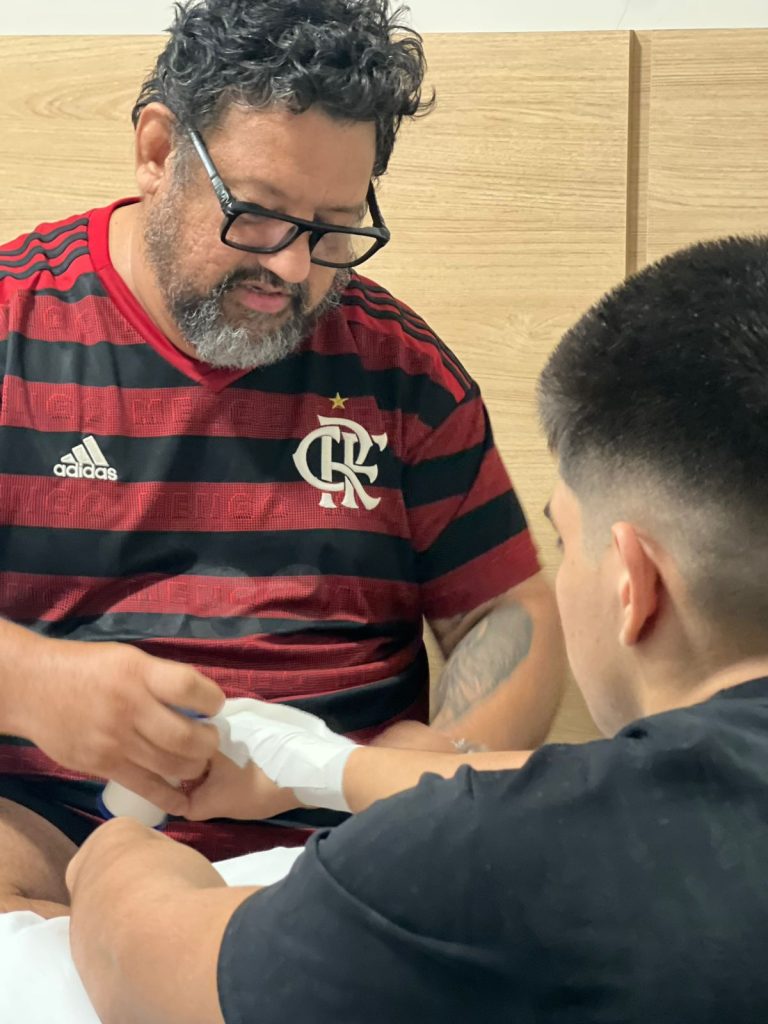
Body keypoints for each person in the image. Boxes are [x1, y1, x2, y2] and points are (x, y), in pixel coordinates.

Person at [67, 234, 768, 1023]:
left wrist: (114, 854)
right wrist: (337, 769)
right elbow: (609, 786)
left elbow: (151, 971)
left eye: (564, 541)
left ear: (631, 584)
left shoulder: (477, 867)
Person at [0, 0, 563, 914]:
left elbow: (506, 612)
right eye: (258, 216)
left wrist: (437, 762)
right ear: (158, 153)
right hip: (51, 837)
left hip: (343, 851)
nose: (295, 272)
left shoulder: (402, 371)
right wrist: (28, 683)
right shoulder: (15, 327)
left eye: (334, 229)